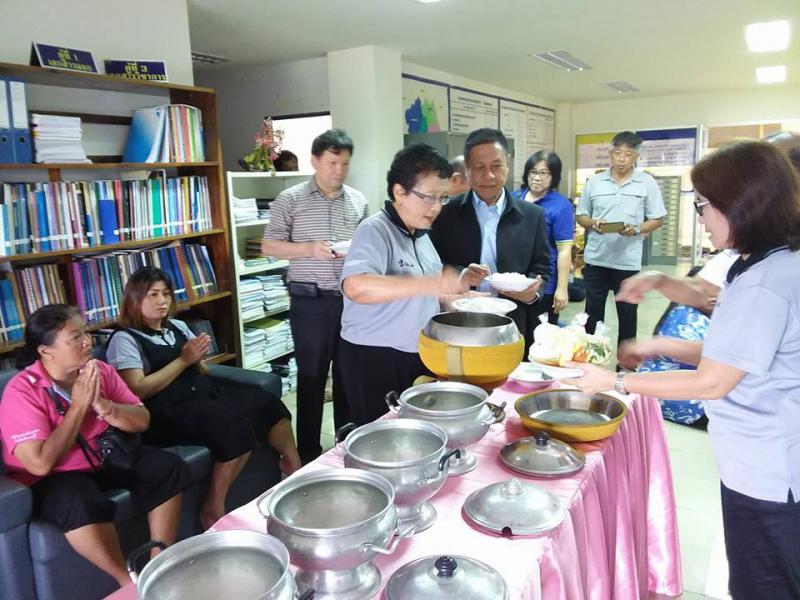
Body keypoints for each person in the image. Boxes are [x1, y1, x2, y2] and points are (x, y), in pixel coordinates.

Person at [567, 139, 800, 600]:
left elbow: (711, 381)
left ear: (742, 206)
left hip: (769, 472)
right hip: (761, 461)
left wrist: (614, 380)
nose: (701, 218)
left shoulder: (766, 282)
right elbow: (730, 353)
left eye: (704, 205)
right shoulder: (764, 262)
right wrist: (658, 344)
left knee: (762, 584)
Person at [0, 304, 188, 587]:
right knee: (79, 500)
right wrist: (79, 407)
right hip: (55, 475)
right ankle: (128, 583)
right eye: (75, 337)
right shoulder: (22, 391)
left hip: (102, 457)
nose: (88, 342)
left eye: (86, 333)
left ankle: (158, 564)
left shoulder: (98, 370)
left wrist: (105, 406)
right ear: (46, 351)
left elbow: (142, 420)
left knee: (166, 467)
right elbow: (39, 464)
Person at [106, 267, 300, 529]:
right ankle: (213, 506)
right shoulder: (125, 339)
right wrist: (183, 360)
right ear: (134, 299)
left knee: (266, 402)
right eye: (153, 295)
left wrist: (198, 357)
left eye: (166, 294)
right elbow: (137, 389)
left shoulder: (177, 326)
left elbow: (203, 370)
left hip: (201, 394)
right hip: (165, 410)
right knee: (233, 425)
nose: (162, 301)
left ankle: (293, 465)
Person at [339, 143, 469, 425]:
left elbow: (425, 295)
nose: (437, 207)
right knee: (380, 437)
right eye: (429, 197)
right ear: (400, 192)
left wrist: (456, 299)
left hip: (415, 353)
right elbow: (356, 287)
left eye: (443, 198)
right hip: (375, 357)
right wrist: (427, 284)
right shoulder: (375, 230)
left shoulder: (421, 236)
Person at [261, 129, 369, 463]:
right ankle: (308, 455)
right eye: (333, 162)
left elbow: (369, 246)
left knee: (348, 379)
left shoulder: (358, 201)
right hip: (310, 302)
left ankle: (346, 448)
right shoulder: (290, 199)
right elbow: (269, 246)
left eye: (345, 163)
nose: (339, 170)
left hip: (350, 302)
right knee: (311, 380)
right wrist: (309, 249)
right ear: (314, 161)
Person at [617, 131, 800, 311]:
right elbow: (704, 291)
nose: (701, 219)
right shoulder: (748, 248)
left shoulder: (773, 277)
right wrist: (658, 280)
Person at [430, 128, 551, 356]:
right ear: (467, 170)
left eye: (496, 166)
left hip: (512, 324)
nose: (489, 176)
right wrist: (462, 274)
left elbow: (542, 267)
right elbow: (433, 264)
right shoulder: (446, 214)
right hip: (460, 323)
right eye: (479, 168)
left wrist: (532, 293)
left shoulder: (532, 216)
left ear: (507, 165)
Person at [575, 130, 666, 345]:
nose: (622, 159)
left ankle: (626, 361)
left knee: (627, 316)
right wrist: (593, 223)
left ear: (636, 156)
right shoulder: (594, 182)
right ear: (610, 154)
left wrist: (636, 229)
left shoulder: (646, 183)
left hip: (627, 262)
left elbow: (658, 219)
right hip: (596, 259)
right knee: (592, 315)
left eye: (628, 154)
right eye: (617, 153)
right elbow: (581, 216)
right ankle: (590, 356)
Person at [513, 150, 574, 324]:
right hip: (513, 280)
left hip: (544, 283)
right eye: (533, 172)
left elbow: (564, 250)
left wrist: (561, 289)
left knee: (541, 334)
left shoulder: (561, 206)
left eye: (544, 173)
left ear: (554, 177)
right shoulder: (514, 198)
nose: (537, 178)